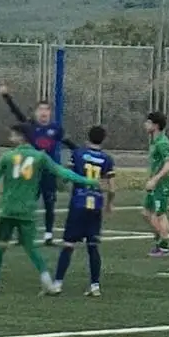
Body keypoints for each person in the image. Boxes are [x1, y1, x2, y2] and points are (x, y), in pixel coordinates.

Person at [0, 122, 102, 295]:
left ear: (21, 137)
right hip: (26, 210)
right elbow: (62, 172)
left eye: (13, 134)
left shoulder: (7, 157)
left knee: (0, 245)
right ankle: (47, 282)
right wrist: (88, 181)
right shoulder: (39, 157)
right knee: (31, 248)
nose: (10, 137)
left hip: (8, 208)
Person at [0, 86, 69, 242]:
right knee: (26, 201)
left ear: (50, 113)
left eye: (46, 109)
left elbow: (68, 142)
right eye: (40, 109)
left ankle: (48, 234)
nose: (43, 112)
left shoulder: (56, 129)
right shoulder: (30, 126)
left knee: (49, 202)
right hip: (31, 171)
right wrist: (7, 97)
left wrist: (79, 155)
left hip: (48, 171)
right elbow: (17, 113)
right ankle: (21, 233)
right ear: (36, 113)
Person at [53, 125, 115, 296]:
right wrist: (109, 204)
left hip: (78, 204)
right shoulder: (107, 159)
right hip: (95, 206)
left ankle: (57, 283)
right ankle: (95, 286)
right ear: (104, 140)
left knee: (68, 244)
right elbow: (112, 188)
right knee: (93, 246)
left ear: (88, 138)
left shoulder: (78, 154)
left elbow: (66, 176)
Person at [142, 110, 169, 257]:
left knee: (160, 214)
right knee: (146, 213)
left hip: (161, 185)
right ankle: (160, 239)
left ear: (155, 125)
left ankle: (164, 247)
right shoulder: (154, 141)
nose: (145, 125)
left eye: (148, 122)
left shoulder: (163, 143)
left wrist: (156, 179)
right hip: (154, 185)